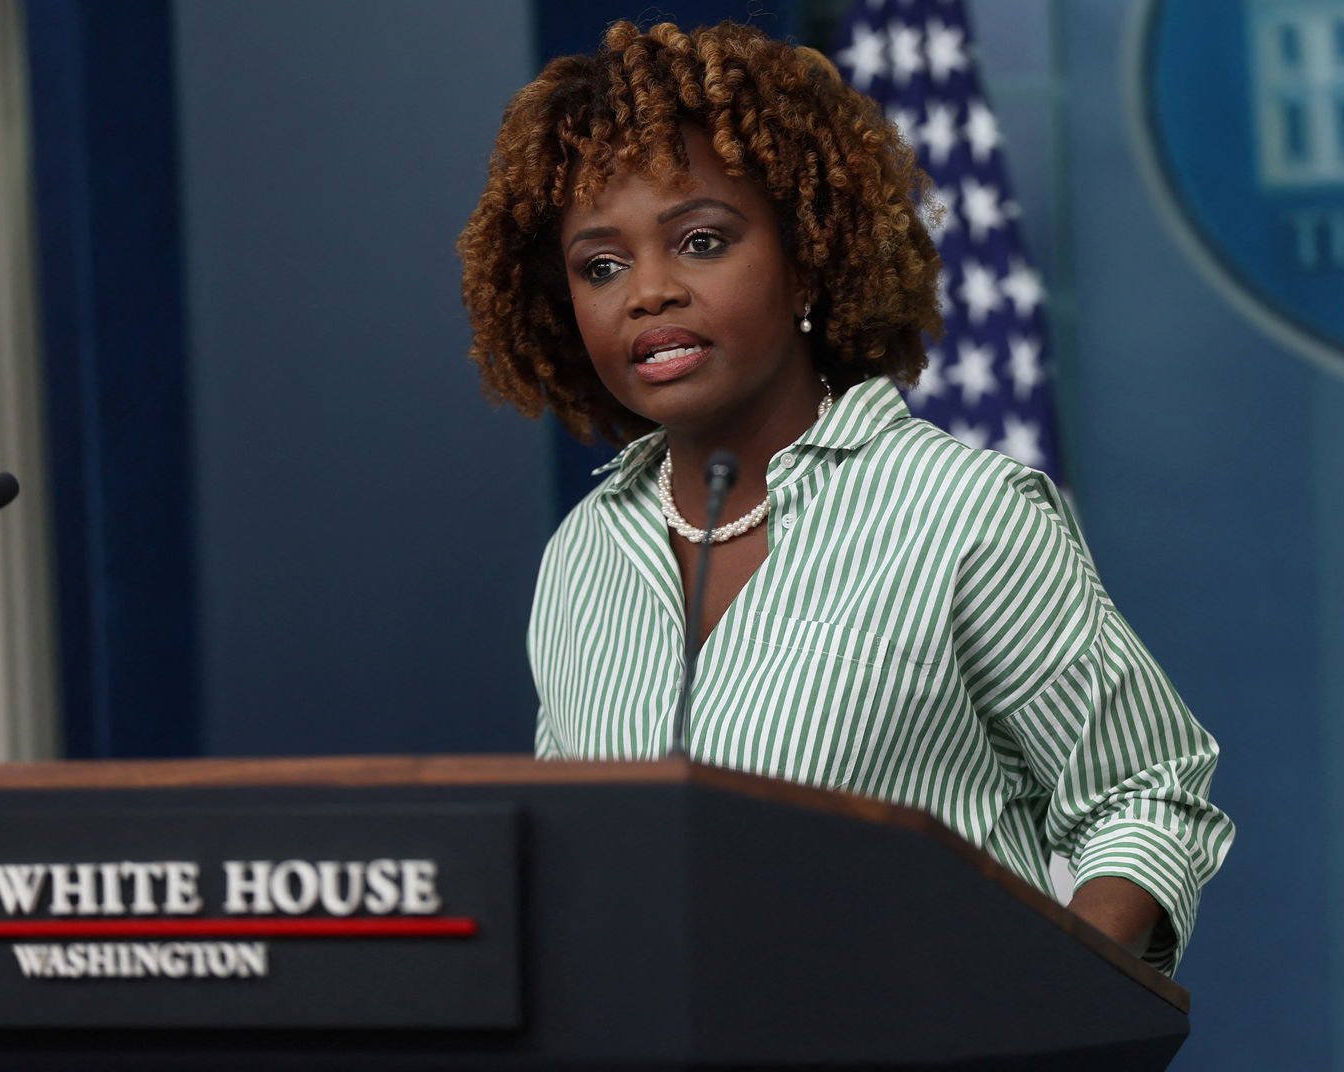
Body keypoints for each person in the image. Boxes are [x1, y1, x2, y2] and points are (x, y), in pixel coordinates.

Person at [459, 19, 1232, 975]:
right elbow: (576, 860)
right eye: (601, 266)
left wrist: (1049, 1000)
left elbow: (1144, 795)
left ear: (807, 263)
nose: (647, 293)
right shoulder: (584, 552)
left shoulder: (959, 513)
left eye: (701, 241)